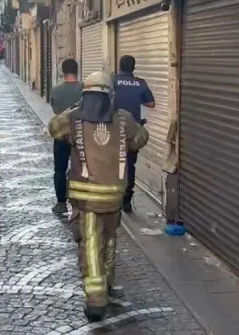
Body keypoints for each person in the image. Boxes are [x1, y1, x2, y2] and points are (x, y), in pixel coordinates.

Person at [47, 71, 149, 322]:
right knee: (111, 238)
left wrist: (74, 110)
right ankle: (109, 281)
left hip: (86, 198)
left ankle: (96, 300)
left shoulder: (74, 118)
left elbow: (53, 129)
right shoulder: (123, 118)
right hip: (114, 195)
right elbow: (141, 139)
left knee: (91, 244)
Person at [113, 55, 155, 213]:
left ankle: (114, 197)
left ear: (120, 66)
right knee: (130, 165)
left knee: (114, 163)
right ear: (133, 67)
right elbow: (151, 103)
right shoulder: (140, 83)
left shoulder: (113, 81)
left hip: (114, 129)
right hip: (132, 130)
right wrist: (138, 99)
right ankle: (127, 201)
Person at [49, 58, 83, 215]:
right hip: (81, 134)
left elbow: (55, 110)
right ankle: (80, 202)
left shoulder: (55, 90)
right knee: (81, 168)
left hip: (61, 135)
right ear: (77, 70)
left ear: (63, 71)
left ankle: (61, 203)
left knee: (60, 170)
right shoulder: (85, 89)